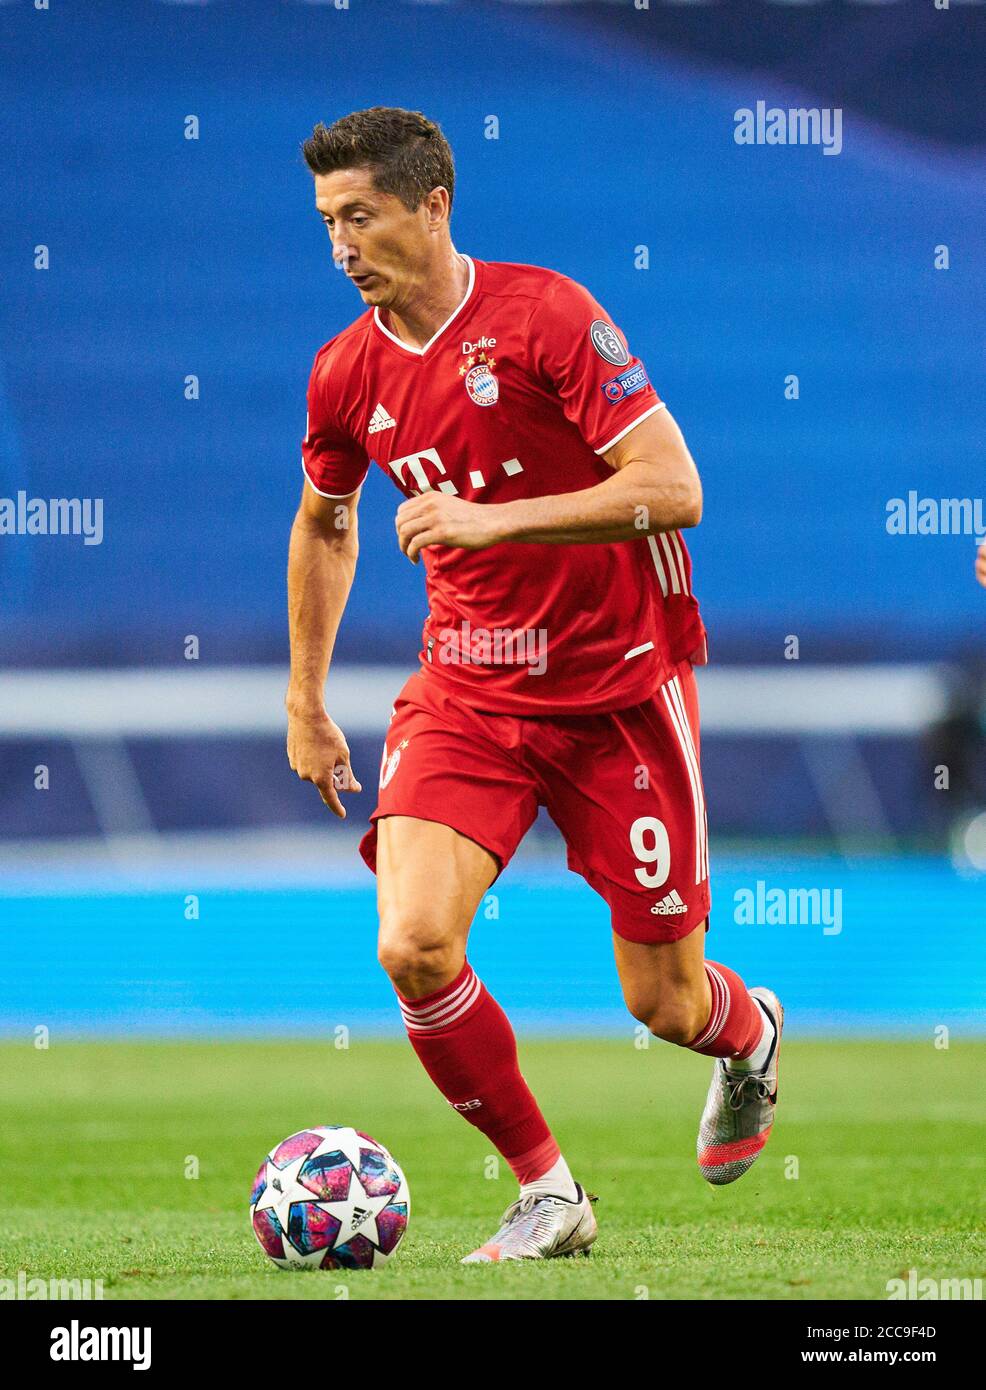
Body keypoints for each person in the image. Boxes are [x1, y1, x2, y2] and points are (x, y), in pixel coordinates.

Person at [286, 107, 782, 1263]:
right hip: (466, 692)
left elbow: (673, 485)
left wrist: (485, 516)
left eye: (360, 215)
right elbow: (324, 523)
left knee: (662, 1004)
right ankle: (547, 1192)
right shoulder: (343, 372)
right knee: (412, 945)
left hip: (618, 691)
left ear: (431, 204)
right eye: (325, 223)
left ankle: (749, 1033)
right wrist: (306, 697)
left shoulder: (546, 316)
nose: (342, 244)